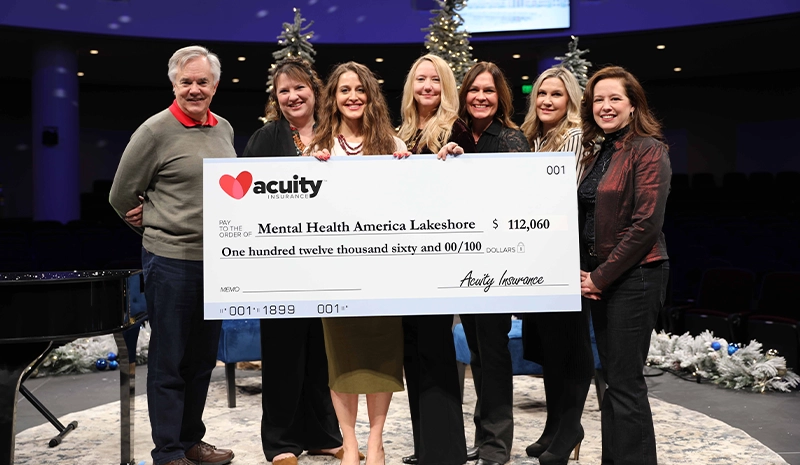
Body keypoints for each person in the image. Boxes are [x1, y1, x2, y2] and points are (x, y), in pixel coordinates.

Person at [109, 45, 235, 465]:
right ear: (174, 84)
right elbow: (120, 195)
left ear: (214, 86)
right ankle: (167, 452)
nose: (194, 89)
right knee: (170, 360)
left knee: (201, 359)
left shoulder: (225, 130)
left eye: (202, 82)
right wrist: (153, 223)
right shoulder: (154, 131)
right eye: (187, 82)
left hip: (215, 261)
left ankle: (190, 441)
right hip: (170, 261)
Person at [241, 58, 349, 465]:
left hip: (329, 264)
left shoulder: (336, 135)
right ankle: (281, 442)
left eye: (299, 88)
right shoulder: (265, 138)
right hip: (281, 266)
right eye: (283, 91)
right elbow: (246, 202)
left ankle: (322, 434)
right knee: (284, 353)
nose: (292, 96)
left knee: (322, 354)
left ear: (315, 90)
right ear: (276, 98)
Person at [308, 61, 409, 465]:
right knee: (342, 356)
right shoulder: (319, 145)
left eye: (359, 89)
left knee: (382, 354)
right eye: (344, 90)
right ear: (333, 97)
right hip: (335, 272)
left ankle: (376, 442)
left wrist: (409, 168)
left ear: (370, 96)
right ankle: (349, 442)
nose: (352, 97)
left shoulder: (393, 144)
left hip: (384, 271)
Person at [579, 66, 671, 465]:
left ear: (633, 105)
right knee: (613, 384)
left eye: (615, 98)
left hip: (636, 277)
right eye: (598, 99)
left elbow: (646, 224)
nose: (606, 106)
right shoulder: (600, 150)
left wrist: (600, 276)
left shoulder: (649, 149)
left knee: (626, 385)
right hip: (606, 280)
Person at [396, 54, 475, 465]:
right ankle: (425, 447)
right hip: (405, 261)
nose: (427, 86)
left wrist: (458, 157)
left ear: (446, 87)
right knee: (414, 353)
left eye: (435, 80)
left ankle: (446, 451)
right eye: (420, 79)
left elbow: (466, 187)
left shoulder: (455, 128)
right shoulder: (402, 131)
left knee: (436, 350)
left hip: (436, 260)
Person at [518, 67, 594, 465]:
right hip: (537, 253)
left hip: (565, 251)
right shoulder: (534, 138)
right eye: (542, 93)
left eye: (556, 95)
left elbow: (562, 195)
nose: (546, 100)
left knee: (571, 343)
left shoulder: (577, 137)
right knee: (548, 345)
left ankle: (571, 427)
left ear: (571, 101)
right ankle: (554, 424)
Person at [454, 61, 528, 465]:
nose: (480, 97)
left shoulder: (512, 140)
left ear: (500, 97)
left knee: (494, 354)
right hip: (463, 261)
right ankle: (485, 439)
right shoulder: (456, 135)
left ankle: (497, 444)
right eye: (474, 90)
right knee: (479, 355)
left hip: (499, 263)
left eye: (489, 90)